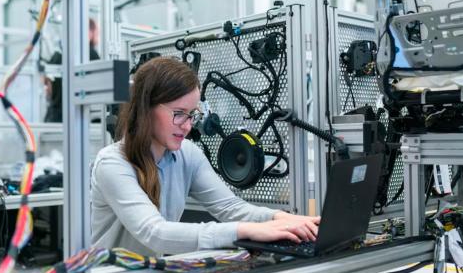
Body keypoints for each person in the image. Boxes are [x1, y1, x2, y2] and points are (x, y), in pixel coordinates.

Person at [91, 57, 320, 256]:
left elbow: (230, 208)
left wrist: (284, 219)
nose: (188, 126)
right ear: (146, 109)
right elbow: (155, 233)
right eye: (179, 114)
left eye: (192, 115)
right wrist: (245, 231)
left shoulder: (186, 154)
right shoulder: (113, 163)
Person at [43, 18, 100, 122]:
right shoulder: (90, 53)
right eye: (96, 32)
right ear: (90, 32)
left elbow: (47, 86)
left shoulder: (58, 54)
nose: (97, 37)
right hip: (76, 120)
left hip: (53, 119)